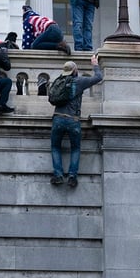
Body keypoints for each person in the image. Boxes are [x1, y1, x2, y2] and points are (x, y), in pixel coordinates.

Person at [49, 54, 103, 188]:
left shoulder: (58, 81)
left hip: (58, 117)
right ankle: (72, 177)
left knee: (55, 147)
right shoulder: (79, 81)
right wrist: (95, 64)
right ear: (75, 71)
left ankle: (58, 175)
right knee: (75, 148)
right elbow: (98, 78)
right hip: (73, 119)